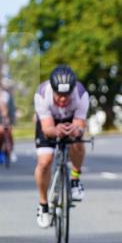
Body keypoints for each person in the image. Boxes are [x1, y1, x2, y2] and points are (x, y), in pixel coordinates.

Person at [34, 65, 90, 228]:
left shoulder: (81, 94)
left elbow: (80, 125)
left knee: (78, 142)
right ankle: (43, 205)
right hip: (49, 122)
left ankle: (75, 179)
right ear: (53, 89)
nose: (63, 99)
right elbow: (47, 128)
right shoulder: (42, 94)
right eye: (59, 95)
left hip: (71, 120)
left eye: (67, 95)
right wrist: (55, 130)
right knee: (45, 161)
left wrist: (76, 130)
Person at [0, 79, 17, 163]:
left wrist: (11, 118)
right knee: (0, 132)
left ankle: (11, 150)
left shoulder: (8, 96)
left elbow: (11, 109)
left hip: (8, 117)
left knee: (9, 132)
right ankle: (0, 150)